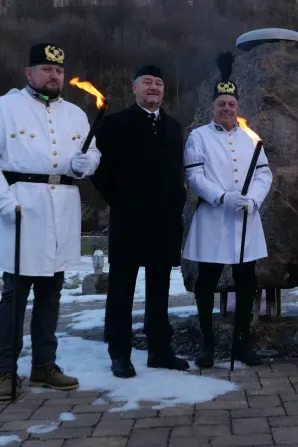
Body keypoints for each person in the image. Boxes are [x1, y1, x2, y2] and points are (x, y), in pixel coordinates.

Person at [0, 42, 100, 400]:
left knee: (51, 292)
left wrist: (85, 164)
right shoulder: (3, 108)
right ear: (29, 73)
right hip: (21, 208)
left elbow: (91, 152)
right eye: (45, 69)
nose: (53, 75)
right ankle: (5, 371)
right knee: (15, 294)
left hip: (62, 209)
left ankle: (44, 365)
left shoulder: (75, 113)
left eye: (58, 70)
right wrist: (2, 202)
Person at [91, 64, 189, 378]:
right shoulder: (115, 124)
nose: (153, 88)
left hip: (164, 221)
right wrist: (119, 199)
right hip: (129, 220)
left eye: (159, 83)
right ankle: (119, 350)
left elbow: (176, 175)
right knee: (122, 286)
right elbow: (99, 170)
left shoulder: (174, 128)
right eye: (147, 82)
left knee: (159, 288)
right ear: (134, 88)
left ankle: (160, 349)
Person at [183, 52, 273, 368]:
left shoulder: (251, 138)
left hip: (246, 220)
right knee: (207, 282)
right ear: (213, 107)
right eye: (221, 104)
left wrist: (254, 198)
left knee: (246, 282)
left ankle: (241, 345)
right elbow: (194, 176)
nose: (227, 108)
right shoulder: (198, 136)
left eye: (231, 104)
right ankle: (207, 346)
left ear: (238, 108)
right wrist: (222, 197)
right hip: (213, 219)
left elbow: (264, 173)